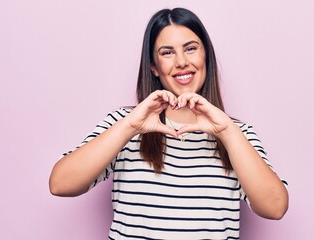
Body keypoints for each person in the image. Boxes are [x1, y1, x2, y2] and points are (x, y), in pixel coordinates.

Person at [49, 7, 289, 239]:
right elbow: (60, 184)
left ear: (206, 55)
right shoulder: (124, 124)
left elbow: (275, 207)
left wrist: (227, 132)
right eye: (167, 52)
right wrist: (131, 126)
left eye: (191, 48)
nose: (182, 62)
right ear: (154, 67)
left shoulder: (237, 133)